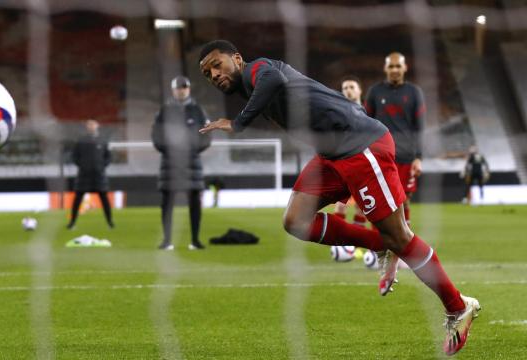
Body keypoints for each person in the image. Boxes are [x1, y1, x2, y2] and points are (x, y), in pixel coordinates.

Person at [198, 40, 479, 356]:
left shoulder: (257, 70)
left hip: (361, 147)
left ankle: (458, 307)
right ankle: (380, 246)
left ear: (236, 58)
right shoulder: (253, 86)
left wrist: (237, 124)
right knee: (296, 220)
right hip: (331, 155)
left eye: (216, 64)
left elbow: (273, 79)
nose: (213, 74)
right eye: (207, 74)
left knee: (400, 236)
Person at [364, 52, 426, 290]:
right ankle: (379, 250)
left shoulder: (414, 93)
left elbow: (419, 129)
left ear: (405, 67)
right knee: (378, 204)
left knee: (403, 202)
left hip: (405, 157)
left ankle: (401, 252)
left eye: (398, 66)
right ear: (385, 68)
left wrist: (419, 158)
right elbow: (365, 121)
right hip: (379, 156)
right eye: (391, 66)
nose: (394, 70)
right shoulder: (375, 92)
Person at [152, 75, 212, 250]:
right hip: (169, 164)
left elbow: (207, 134)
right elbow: (156, 134)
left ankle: (195, 240)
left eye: (184, 87)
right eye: (178, 88)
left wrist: (193, 150)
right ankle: (167, 240)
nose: (181, 90)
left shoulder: (198, 110)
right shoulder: (164, 110)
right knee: (167, 203)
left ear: (188, 89)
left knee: (195, 202)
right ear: (173, 90)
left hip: (192, 163)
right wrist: (168, 151)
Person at [67, 119, 114, 230]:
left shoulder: (103, 141)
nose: (91, 126)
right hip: (84, 175)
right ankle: (72, 222)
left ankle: (110, 222)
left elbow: (109, 157)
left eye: (93, 124)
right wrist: (82, 166)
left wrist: (101, 166)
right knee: (78, 199)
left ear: (97, 126)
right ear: (86, 127)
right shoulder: (81, 141)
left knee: (104, 198)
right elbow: (74, 156)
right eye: (89, 125)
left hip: (99, 175)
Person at [334, 76, 368, 228]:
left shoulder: (367, 114)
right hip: (344, 166)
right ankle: (339, 244)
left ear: (360, 91)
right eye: (345, 88)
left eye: (351, 87)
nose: (348, 90)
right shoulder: (338, 113)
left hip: (362, 167)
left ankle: (358, 244)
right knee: (341, 205)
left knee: (362, 208)